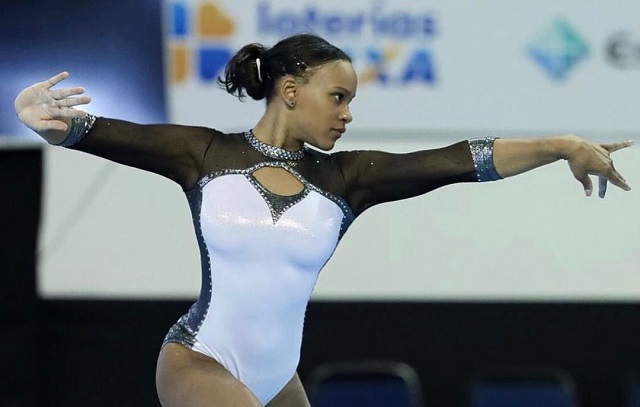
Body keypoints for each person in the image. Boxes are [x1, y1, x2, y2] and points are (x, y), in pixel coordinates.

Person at [14, 34, 632, 407]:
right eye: (337, 98)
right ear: (288, 90)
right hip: (199, 358)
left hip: (279, 378)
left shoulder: (347, 179)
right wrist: (36, 112)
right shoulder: (202, 153)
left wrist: (561, 143)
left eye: (351, 102)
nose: (347, 115)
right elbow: (90, 131)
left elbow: (457, 160)